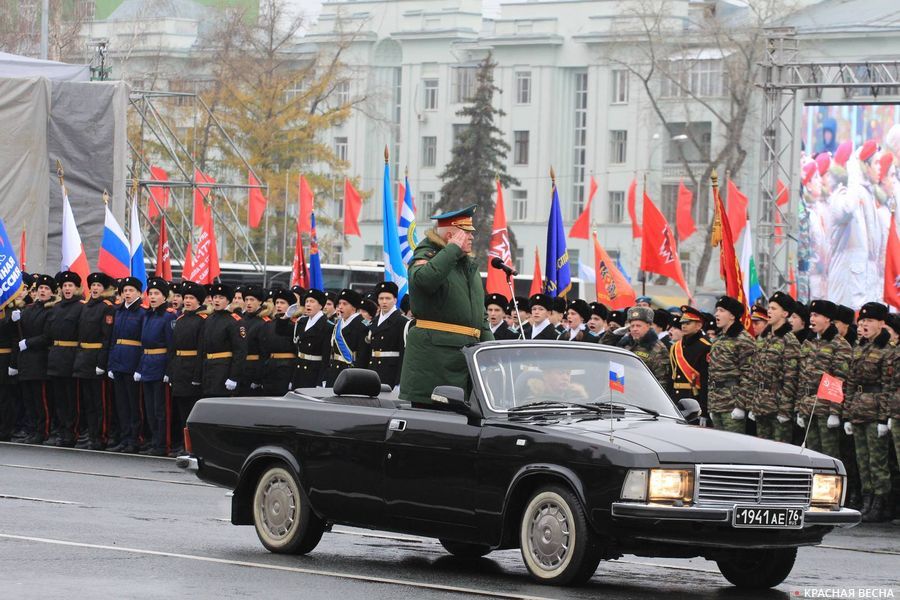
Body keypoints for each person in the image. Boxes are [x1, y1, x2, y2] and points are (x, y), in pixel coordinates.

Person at [399, 205, 493, 405]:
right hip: (435, 360)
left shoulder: (466, 265)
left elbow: (479, 314)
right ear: (451, 235)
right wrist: (451, 250)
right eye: (466, 233)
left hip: (463, 357)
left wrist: (490, 349)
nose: (472, 237)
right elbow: (424, 280)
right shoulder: (427, 254)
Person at [844, 302, 892, 522]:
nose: (864, 324)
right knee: (862, 460)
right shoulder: (859, 347)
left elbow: (887, 386)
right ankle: (866, 498)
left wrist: (883, 418)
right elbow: (851, 382)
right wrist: (847, 413)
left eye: (869, 321)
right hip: (858, 409)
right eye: (862, 320)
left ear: (881, 324)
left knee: (877, 461)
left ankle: (881, 502)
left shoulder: (887, 350)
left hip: (875, 410)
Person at [795, 300, 851, 458]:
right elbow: (802, 376)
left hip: (825, 409)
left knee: (828, 455)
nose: (812, 319)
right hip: (808, 407)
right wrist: (799, 408)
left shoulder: (840, 344)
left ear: (827, 319)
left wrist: (834, 412)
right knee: (811, 455)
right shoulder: (808, 342)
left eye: (816, 315)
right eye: (811, 315)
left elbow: (840, 379)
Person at [747, 292, 801, 443]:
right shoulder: (763, 338)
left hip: (778, 407)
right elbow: (754, 373)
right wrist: (753, 404)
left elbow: (791, 378)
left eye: (774, 308)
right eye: (769, 307)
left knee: (780, 452)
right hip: (761, 404)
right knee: (762, 451)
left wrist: (784, 410)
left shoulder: (789, 340)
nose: (769, 311)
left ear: (785, 313)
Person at [136, 277, 177, 456]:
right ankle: (154, 440)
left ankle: (163, 444)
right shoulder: (147, 315)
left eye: (156, 294)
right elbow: (143, 345)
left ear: (164, 296)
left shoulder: (168, 316)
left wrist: (168, 370)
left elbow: (171, 345)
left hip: (160, 364)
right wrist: (139, 367)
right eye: (150, 293)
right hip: (147, 364)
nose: (152, 297)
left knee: (161, 409)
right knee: (150, 408)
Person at [13, 274, 56, 444]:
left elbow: (48, 336)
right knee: (29, 398)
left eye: (46, 289)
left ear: (52, 292)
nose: (42, 291)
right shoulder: (29, 308)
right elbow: (18, 330)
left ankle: (43, 430)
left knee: (41, 399)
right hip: (26, 361)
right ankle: (31, 429)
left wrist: (28, 343)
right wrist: (15, 318)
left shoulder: (52, 310)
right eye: (40, 288)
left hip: (41, 359)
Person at [167, 281, 208, 454]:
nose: (188, 301)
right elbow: (173, 349)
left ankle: (194, 447)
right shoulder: (181, 319)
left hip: (192, 369)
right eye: (186, 298)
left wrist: (196, 376)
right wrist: (171, 372)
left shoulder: (203, 320)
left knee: (192, 411)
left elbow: (201, 351)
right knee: (181, 411)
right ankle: (184, 445)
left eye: (191, 298)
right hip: (179, 369)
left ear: (199, 301)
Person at [107, 277, 146, 453]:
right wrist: (110, 365)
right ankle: (124, 437)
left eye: (131, 290)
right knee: (121, 404)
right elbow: (113, 340)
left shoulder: (143, 312)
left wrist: (140, 367)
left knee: (134, 404)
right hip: (119, 360)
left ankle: (135, 438)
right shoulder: (119, 311)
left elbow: (144, 342)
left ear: (138, 293)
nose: (127, 294)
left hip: (133, 361)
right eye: (125, 291)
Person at [45, 271, 84, 447]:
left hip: (71, 356)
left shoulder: (81, 307)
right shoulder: (56, 307)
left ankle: (72, 432)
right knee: (59, 398)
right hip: (56, 356)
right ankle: (62, 431)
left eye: (70, 286)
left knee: (71, 399)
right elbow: (49, 333)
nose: (67, 289)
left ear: (76, 288)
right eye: (64, 286)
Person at [707, 296, 755, 433]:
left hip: (732, 403)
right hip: (716, 403)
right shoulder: (719, 339)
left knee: (734, 448)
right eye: (716, 310)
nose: (716, 314)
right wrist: (711, 406)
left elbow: (749, 375)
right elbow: (713, 374)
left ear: (732, 315)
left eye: (721, 310)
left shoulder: (744, 340)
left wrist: (741, 406)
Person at [197, 283, 247, 397]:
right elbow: (202, 348)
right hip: (208, 369)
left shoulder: (235, 321)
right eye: (215, 297)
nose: (217, 300)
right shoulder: (208, 319)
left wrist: (233, 377)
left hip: (223, 370)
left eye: (221, 298)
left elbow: (240, 351)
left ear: (228, 301)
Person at [358, 281, 408, 388]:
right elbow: (366, 352)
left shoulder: (402, 322)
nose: (384, 302)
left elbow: (404, 355)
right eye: (381, 299)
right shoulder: (374, 322)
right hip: (372, 371)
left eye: (388, 298)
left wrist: (399, 381)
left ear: (395, 300)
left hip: (390, 373)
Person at [669, 306, 711, 424]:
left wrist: (704, 411)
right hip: (676, 400)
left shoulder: (705, 347)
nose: (683, 325)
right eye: (682, 322)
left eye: (688, 323)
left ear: (699, 326)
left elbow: (705, 382)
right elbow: (671, 378)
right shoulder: (675, 347)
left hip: (694, 401)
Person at [617, 306, 670, 389]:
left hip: (643, 394)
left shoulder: (658, 349)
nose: (634, 329)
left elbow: (662, 381)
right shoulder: (625, 344)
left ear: (649, 326)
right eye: (632, 326)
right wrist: (613, 335)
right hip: (622, 391)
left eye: (638, 326)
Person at [323, 288, 367, 387]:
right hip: (334, 372)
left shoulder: (362, 326)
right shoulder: (337, 324)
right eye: (339, 304)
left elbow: (363, 356)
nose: (340, 307)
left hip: (351, 374)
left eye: (345, 304)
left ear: (354, 307)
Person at [290, 289, 332, 389]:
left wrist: (320, 381)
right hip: (299, 370)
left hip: (313, 372)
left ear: (321, 305)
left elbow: (326, 358)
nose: (308, 304)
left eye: (312, 302)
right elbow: (297, 351)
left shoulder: (327, 326)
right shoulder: (302, 322)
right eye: (307, 301)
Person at [259, 288, 298, 394]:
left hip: (286, 368)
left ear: (290, 306)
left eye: (283, 303)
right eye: (277, 302)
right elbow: (263, 349)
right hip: (270, 367)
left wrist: (293, 378)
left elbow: (297, 351)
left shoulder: (295, 326)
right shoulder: (268, 325)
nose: (279, 305)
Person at [240, 285, 271, 395]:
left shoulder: (264, 322)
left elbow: (264, 353)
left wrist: (258, 378)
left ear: (260, 302)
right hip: (240, 368)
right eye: (246, 299)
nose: (248, 303)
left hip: (253, 369)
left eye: (252, 300)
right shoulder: (240, 319)